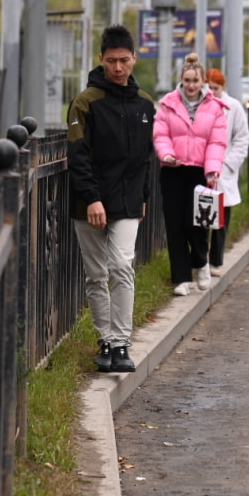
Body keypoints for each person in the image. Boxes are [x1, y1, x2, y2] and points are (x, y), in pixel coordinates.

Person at [67, 24, 156, 373]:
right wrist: (91, 198)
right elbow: (78, 154)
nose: (118, 68)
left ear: (135, 58)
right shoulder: (86, 101)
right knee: (95, 274)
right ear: (100, 59)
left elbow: (147, 159)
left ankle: (121, 343)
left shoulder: (145, 104)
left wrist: (144, 197)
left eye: (124, 60)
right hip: (88, 202)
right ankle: (105, 341)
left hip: (128, 202)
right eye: (111, 61)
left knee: (121, 265)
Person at [153, 53, 228, 296]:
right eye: (187, 80)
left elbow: (217, 142)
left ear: (202, 81)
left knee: (195, 222)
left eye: (195, 81)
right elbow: (160, 134)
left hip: (200, 172)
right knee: (175, 226)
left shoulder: (215, 107)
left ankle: (202, 263)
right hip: (173, 170)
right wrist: (166, 155)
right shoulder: (168, 104)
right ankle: (182, 278)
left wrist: (212, 170)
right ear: (181, 80)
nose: (191, 85)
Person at [205, 68, 249, 276]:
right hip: (203, 167)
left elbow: (241, 138)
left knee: (221, 220)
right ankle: (200, 260)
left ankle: (215, 261)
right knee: (202, 217)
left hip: (223, 171)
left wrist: (228, 164)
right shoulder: (201, 104)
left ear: (224, 88)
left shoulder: (234, 107)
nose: (212, 92)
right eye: (209, 87)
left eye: (216, 88)